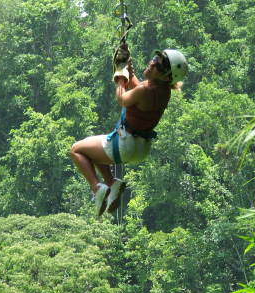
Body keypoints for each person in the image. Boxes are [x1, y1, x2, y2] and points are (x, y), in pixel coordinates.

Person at [71, 47, 188, 216]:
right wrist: (128, 68)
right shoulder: (163, 91)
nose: (152, 63)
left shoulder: (145, 91)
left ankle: (97, 188)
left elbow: (123, 99)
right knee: (96, 152)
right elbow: (140, 88)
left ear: (166, 76)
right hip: (141, 147)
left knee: (77, 150)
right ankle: (113, 184)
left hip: (125, 144)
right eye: (155, 59)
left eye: (157, 65)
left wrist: (120, 76)